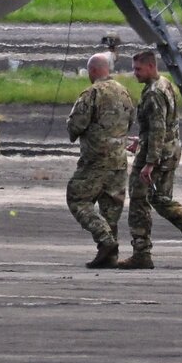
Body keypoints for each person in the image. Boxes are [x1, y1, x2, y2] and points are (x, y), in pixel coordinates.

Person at [119, 49, 182, 270]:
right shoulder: (165, 84)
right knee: (160, 199)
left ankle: (141, 253)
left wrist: (149, 162)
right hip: (170, 151)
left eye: (138, 69)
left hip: (157, 155)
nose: (135, 73)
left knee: (139, 201)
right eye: (134, 69)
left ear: (151, 66)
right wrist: (141, 143)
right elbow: (162, 126)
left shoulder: (153, 93)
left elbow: (158, 128)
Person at [65, 51, 135, 268]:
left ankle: (105, 241)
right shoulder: (124, 93)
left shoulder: (91, 93)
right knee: (110, 208)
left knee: (77, 198)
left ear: (92, 71)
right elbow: (130, 121)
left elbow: (76, 124)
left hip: (96, 158)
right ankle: (109, 255)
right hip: (119, 159)